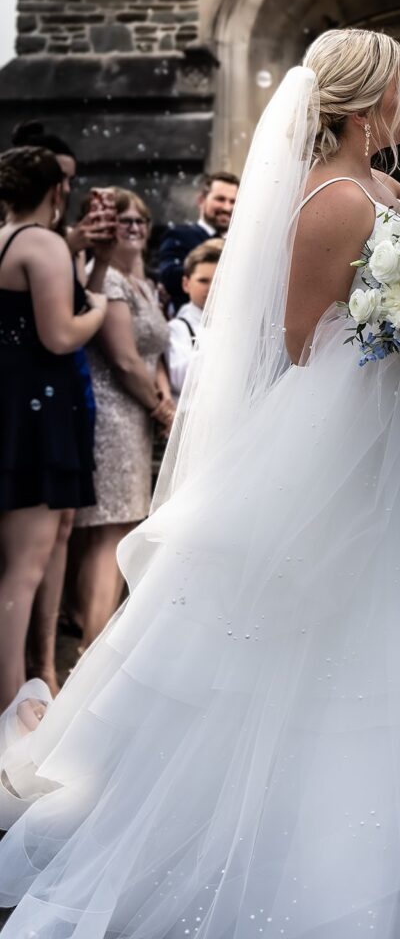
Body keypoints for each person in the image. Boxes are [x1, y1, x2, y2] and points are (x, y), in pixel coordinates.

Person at [0, 29, 400, 939]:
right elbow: (306, 341)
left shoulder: (396, 190)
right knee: (342, 645)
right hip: (348, 448)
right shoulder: (333, 199)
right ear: (363, 103)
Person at [0, 146, 107, 711]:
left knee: (18, 564)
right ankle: (13, 708)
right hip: (37, 413)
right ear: (57, 191)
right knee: (24, 569)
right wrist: (97, 307)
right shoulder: (38, 242)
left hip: (18, 407)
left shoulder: (5, 237)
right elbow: (61, 335)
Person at [73, 188, 172, 650]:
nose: (133, 228)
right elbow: (124, 360)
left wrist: (163, 400)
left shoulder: (145, 284)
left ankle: (100, 647)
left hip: (138, 416)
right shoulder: (107, 279)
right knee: (109, 533)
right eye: (124, 221)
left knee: (125, 528)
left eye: (141, 221)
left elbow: (153, 359)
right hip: (112, 415)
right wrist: (162, 408)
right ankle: (88, 652)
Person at [157, 171, 239, 309]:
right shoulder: (179, 235)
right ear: (201, 200)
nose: (227, 207)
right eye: (220, 199)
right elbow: (168, 276)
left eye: (233, 201)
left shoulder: (240, 244)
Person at [166, 238, 222, 398]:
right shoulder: (178, 327)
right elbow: (179, 380)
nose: (212, 288)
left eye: (218, 280)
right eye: (203, 281)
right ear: (186, 284)